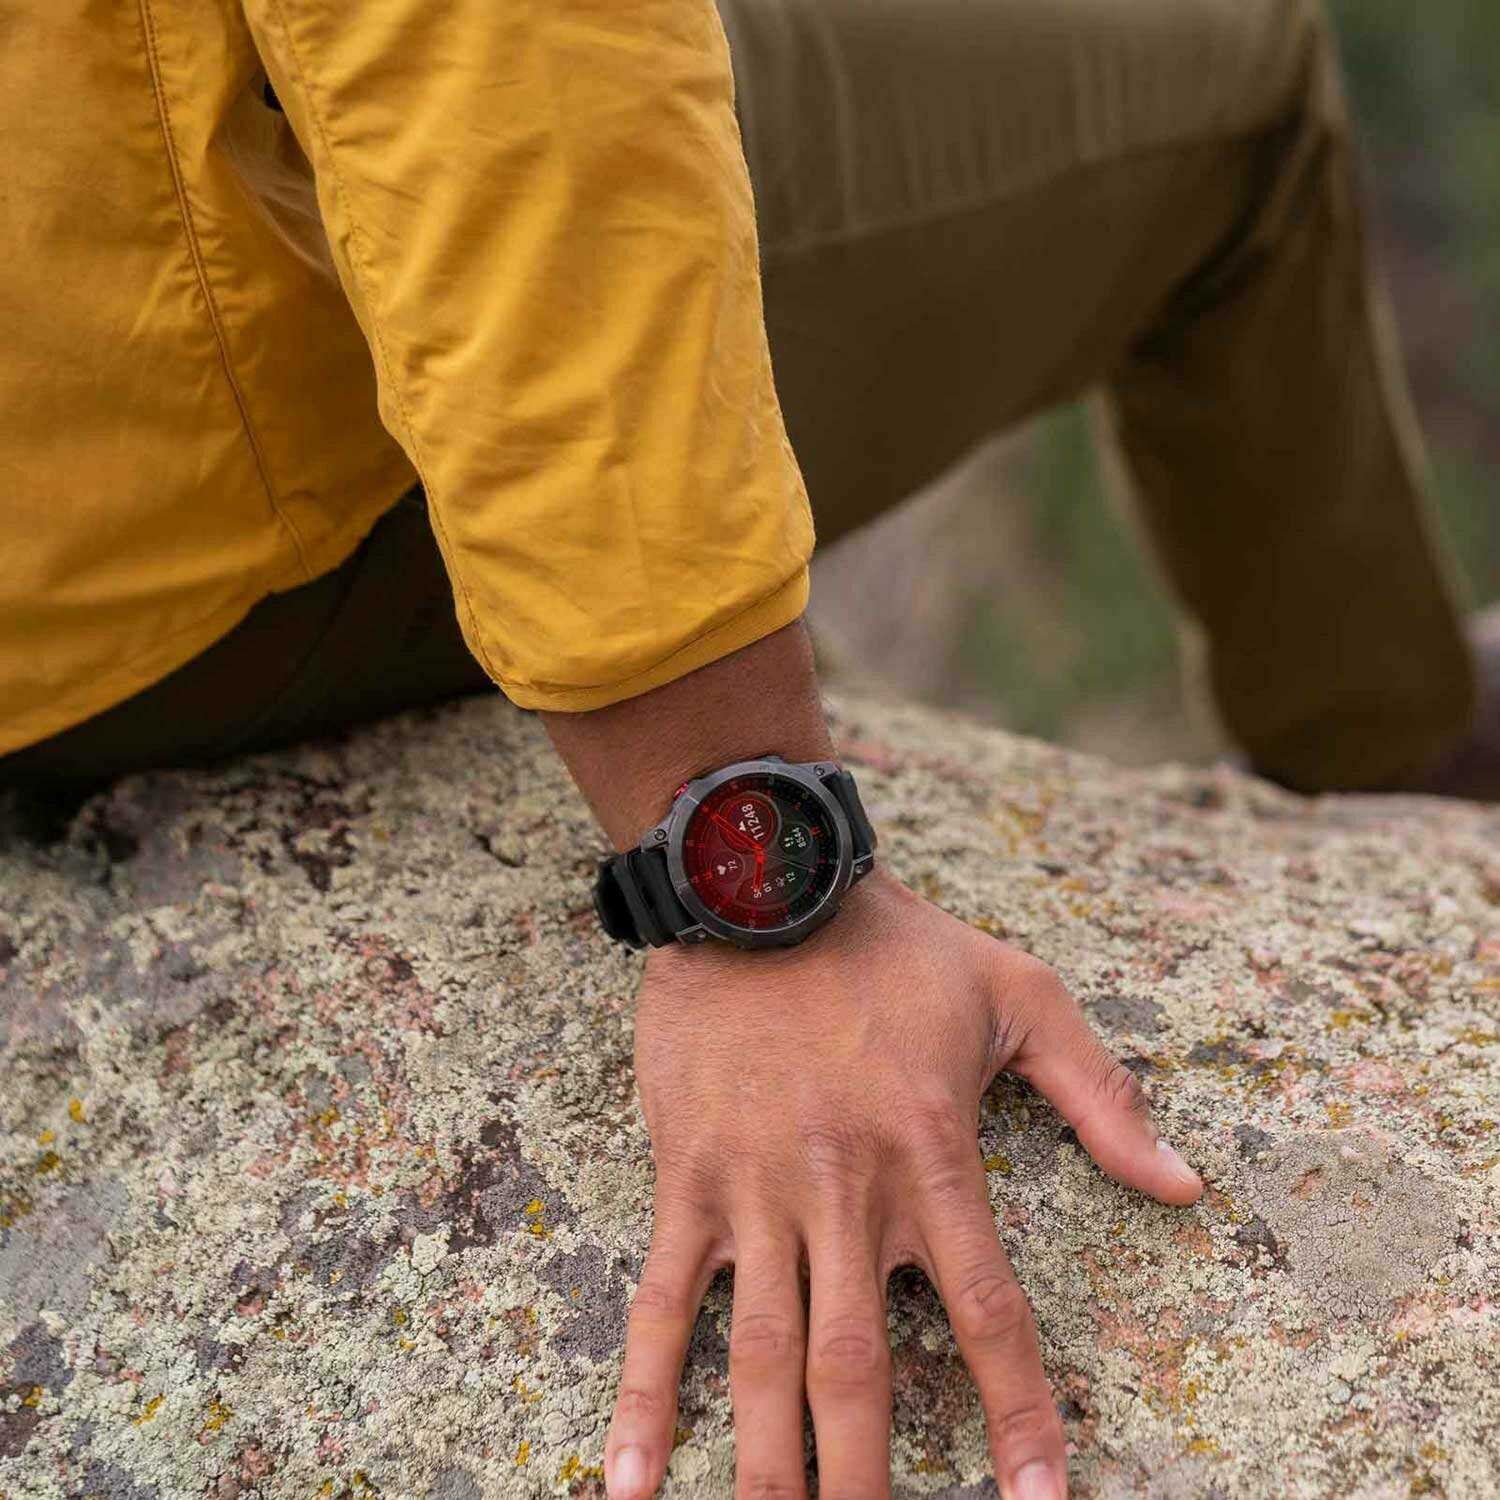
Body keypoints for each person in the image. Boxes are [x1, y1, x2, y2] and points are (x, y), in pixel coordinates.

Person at [3, 1, 1495, 1497]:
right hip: (235, 474)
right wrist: (757, 877)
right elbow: (495, 56)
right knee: (1243, 77)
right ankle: (1393, 744)